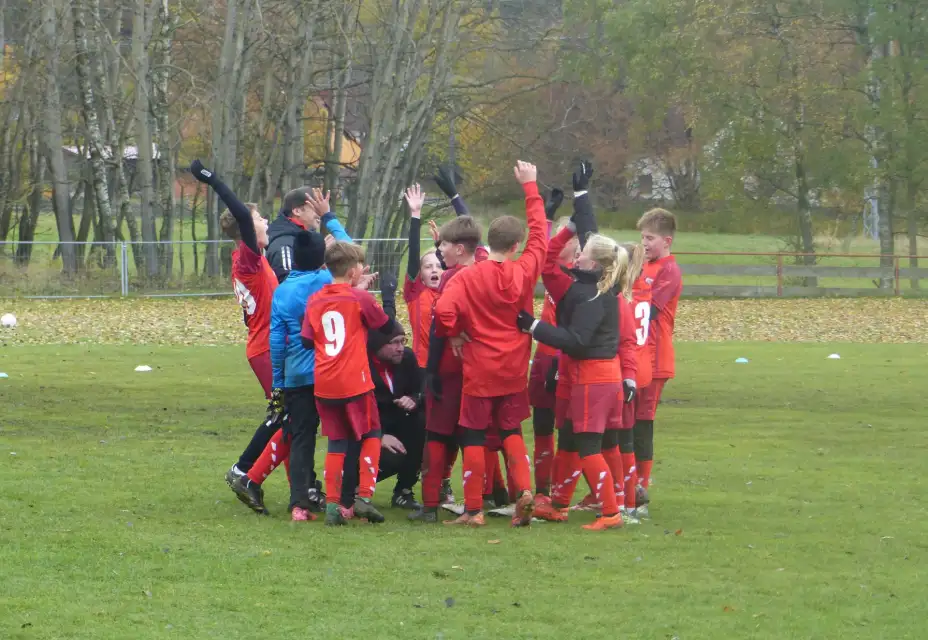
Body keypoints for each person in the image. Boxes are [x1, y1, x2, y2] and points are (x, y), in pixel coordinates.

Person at [432, 160, 548, 528]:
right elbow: (541, 237)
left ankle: (473, 510)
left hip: (479, 366)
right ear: (515, 245)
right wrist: (531, 187)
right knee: (511, 431)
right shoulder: (525, 270)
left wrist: (454, 333)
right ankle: (524, 491)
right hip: (514, 368)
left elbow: (443, 310)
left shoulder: (469, 276)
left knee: (474, 435)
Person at [517, 234, 631, 531]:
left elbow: (577, 342)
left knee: (589, 447)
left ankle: (610, 512)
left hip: (594, 378)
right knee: (571, 437)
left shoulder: (594, 296)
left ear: (593, 262)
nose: (576, 257)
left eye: (581, 253)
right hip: (598, 377)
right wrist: (571, 221)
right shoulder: (598, 289)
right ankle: (561, 505)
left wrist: (533, 326)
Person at [189, 160, 283, 514]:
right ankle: (243, 471)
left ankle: (294, 484)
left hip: (269, 346)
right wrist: (211, 179)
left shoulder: (256, 261)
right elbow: (242, 214)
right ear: (245, 229)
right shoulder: (247, 257)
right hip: (264, 349)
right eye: (261, 220)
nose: (265, 223)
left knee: (288, 416)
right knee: (282, 414)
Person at [301, 241, 401, 526]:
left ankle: (333, 505)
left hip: (325, 382)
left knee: (337, 441)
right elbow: (385, 326)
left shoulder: (316, 299)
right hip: (354, 381)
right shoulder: (360, 298)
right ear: (356, 270)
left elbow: (307, 339)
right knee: (372, 431)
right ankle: (363, 497)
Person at [407, 213, 487, 523]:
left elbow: (442, 321)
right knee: (473, 437)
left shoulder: (456, 277)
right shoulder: (485, 271)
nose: (440, 250)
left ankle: (430, 506)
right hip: (477, 365)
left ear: (459, 248)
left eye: (444, 245)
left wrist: (431, 373)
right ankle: (475, 506)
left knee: (438, 437)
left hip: (450, 367)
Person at [338, 321, 426, 515]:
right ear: (377, 344)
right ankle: (352, 486)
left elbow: (423, 388)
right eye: (394, 342)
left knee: (422, 424)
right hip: (367, 429)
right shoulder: (362, 365)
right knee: (391, 456)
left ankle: (404, 491)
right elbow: (353, 410)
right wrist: (379, 436)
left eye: (403, 341)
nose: (400, 348)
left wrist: (414, 399)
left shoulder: (407, 358)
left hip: (398, 423)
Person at [634, 208, 683, 517]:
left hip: (655, 357)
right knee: (626, 422)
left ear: (666, 240)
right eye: (641, 238)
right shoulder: (645, 265)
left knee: (642, 423)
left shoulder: (668, 270)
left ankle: (640, 487)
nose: (644, 243)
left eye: (649, 238)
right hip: (637, 355)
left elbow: (647, 311)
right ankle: (624, 486)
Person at [266, 187, 351, 283]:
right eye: (315, 207)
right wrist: (319, 257)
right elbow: (290, 286)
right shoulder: (284, 245)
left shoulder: (305, 239)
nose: (320, 212)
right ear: (297, 211)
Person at [401, 184, 442, 371]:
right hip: (422, 366)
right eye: (428, 266)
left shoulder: (452, 290)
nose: (434, 270)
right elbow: (413, 257)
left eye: (438, 266)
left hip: (449, 366)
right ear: (421, 275)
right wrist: (415, 215)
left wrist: (441, 245)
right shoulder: (416, 293)